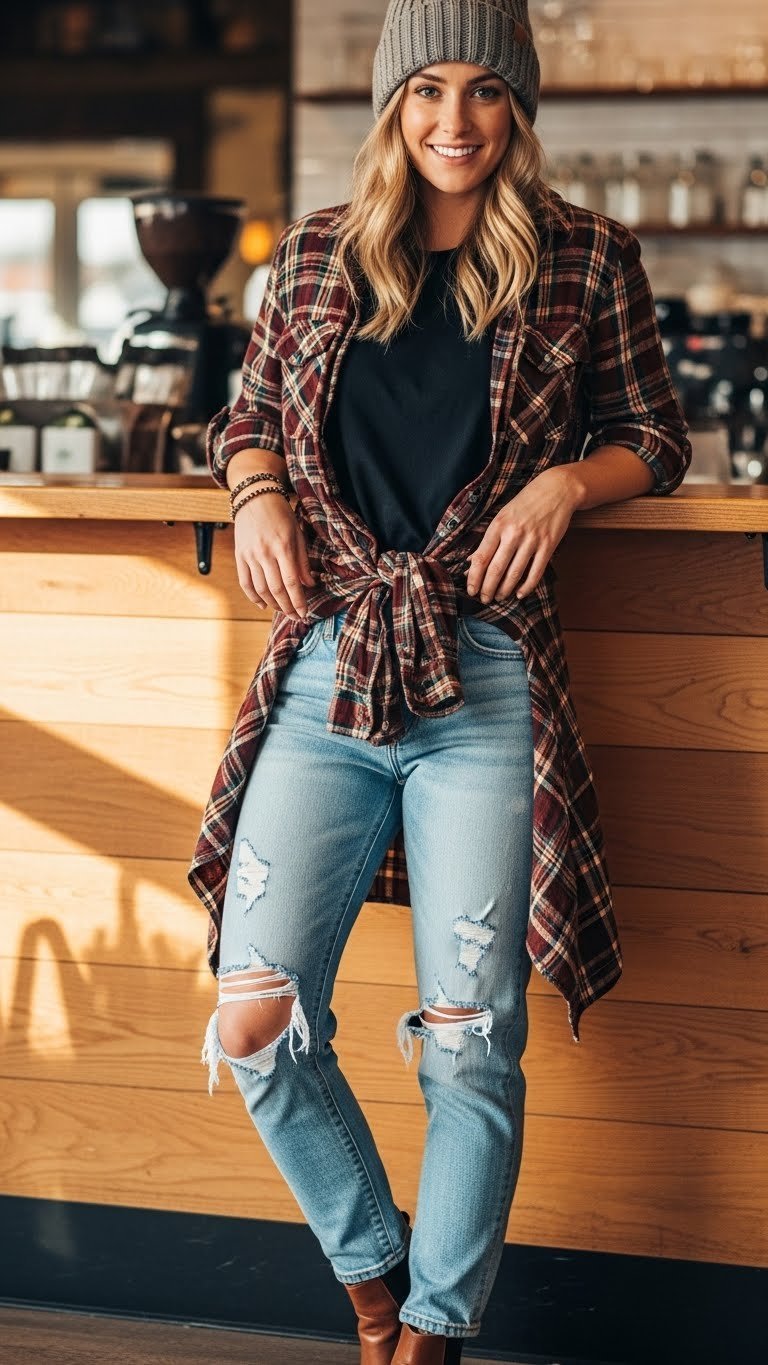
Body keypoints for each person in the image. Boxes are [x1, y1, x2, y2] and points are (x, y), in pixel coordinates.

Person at [188, 2, 691, 1361]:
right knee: (251, 1016)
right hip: (326, 664)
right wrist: (252, 496)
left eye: (482, 93)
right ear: (389, 106)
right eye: (426, 93)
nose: (454, 123)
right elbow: (242, 416)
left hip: (484, 673)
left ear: (518, 107)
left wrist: (568, 481)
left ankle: (431, 1329)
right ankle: (373, 1274)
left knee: (470, 1041)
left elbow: (656, 429)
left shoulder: (587, 257)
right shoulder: (308, 259)